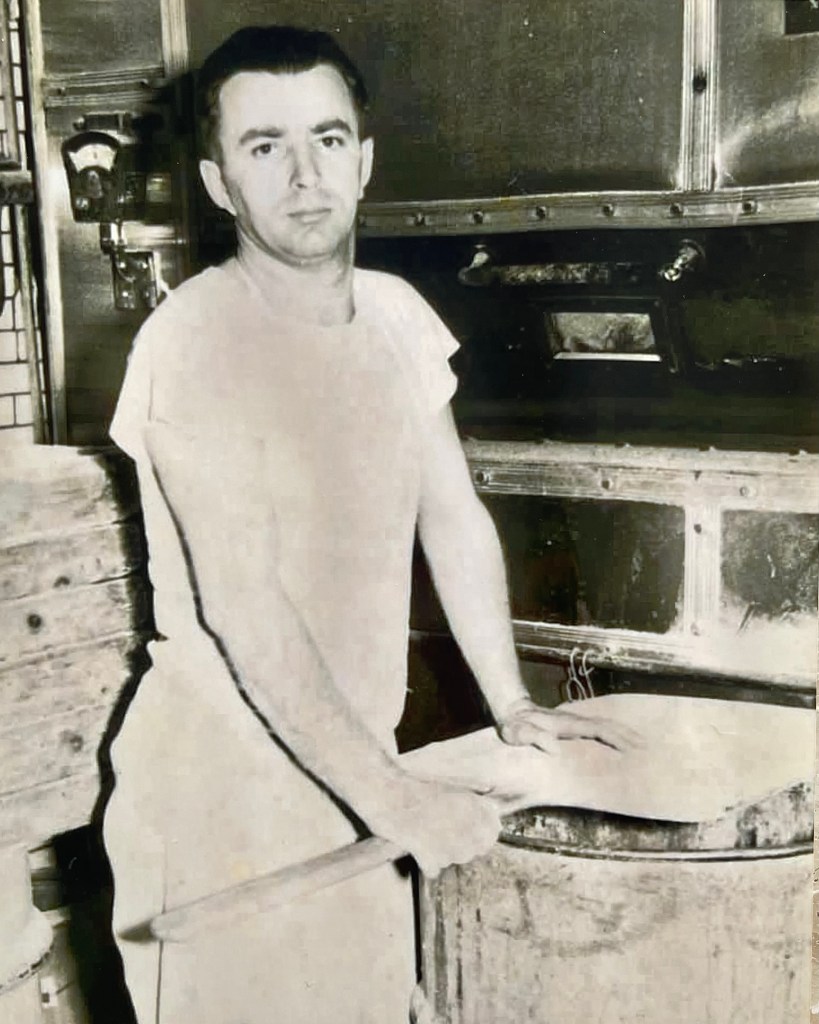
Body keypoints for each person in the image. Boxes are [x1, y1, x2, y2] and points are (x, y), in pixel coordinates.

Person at [103, 25, 636, 1024]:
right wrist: (400, 804)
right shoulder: (195, 343)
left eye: (328, 139)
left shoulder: (394, 317)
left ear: (365, 161)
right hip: (222, 795)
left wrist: (510, 700)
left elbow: (452, 515)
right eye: (265, 146)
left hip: (354, 771)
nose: (304, 175)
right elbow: (244, 609)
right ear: (219, 184)